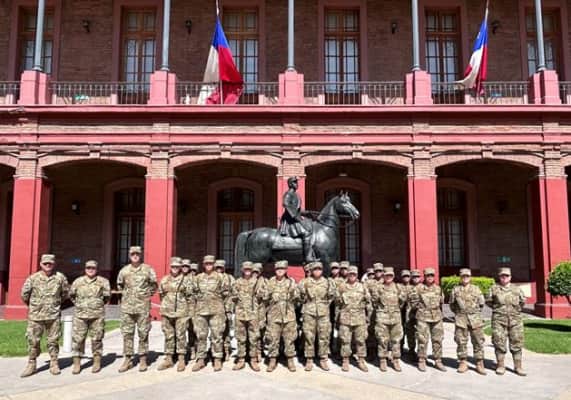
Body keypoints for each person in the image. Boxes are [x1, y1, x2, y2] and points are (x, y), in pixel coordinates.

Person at [20, 254, 70, 378]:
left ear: (54, 264)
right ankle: (31, 364)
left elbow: (65, 293)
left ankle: (54, 363)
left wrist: (54, 304)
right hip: (36, 316)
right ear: (41, 264)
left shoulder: (60, 278)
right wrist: (35, 306)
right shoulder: (33, 278)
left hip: (53, 316)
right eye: (45, 263)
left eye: (50, 263)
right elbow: (24, 295)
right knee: (33, 341)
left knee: (53, 341)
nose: (48, 265)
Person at [117, 246, 158, 373]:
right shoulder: (124, 271)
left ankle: (143, 359)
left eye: (137, 254)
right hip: (127, 308)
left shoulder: (148, 270)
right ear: (129, 255)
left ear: (141, 255)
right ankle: (128, 359)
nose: (135, 256)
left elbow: (154, 285)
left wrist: (145, 296)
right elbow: (120, 285)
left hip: (142, 308)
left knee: (143, 333)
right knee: (127, 333)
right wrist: (128, 296)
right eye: (133, 254)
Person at [70, 260, 111, 374]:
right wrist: (81, 305)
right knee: (78, 340)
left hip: (97, 316)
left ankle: (96, 362)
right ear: (85, 269)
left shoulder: (103, 282)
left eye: (93, 268)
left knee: (96, 339)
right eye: (88, 268)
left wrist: (96, 305)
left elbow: (107, 297)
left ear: (97, 269)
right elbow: (72, 295)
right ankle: (77, 363)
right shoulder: (78, 281)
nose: (90, 270)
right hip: (80, 316)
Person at [191, 255, 230, 372]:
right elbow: (192, 294)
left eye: (210, 263)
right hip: (200, 311)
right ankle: (201, 359)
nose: (208, 265)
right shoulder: (198, 278)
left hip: (216, 311)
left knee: (217, 336)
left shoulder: (221, 277)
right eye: (206, 263)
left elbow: (227, 294)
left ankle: (217, 358)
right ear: (203, 265)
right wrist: (193, 311)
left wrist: (226, 309)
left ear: (213, 265)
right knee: (200, 336)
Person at [486, 267, 527, 376]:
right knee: (499, 342)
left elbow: (522, 302)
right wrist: (499, 310)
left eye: (507, 276)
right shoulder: (493, 289)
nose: (504, 278)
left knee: (517, 342)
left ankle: (518, 366)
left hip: (515, 321)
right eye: (502, 276)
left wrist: (514, 311)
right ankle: (500, 365)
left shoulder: (517, 289)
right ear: (499, 277)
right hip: (499, 321)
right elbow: (489, 301)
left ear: (510, 277)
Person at [298, 261, 336, 371]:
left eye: (319, 269)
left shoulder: (328, 282)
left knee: (324, 336)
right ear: (311, 271)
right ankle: (309, 359)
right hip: (309, 312)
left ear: (322, 270)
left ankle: (323, 359)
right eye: (315, 269)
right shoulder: (305, 282)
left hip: (323, 313)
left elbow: (331, 296)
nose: (317, 271)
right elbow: (300, 296)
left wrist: (323, 305)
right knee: (309, 336)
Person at [264, 260, 300, 372]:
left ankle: (290, 360)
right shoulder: (270, 282)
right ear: (275, 270)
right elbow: (265, 299)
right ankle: (272, 360)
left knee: (290, 339)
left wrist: (294, 293)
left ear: (285, 270)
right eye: (278, 269)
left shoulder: (291, 282)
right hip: (274, 316)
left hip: (288, 316)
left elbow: (297, 299)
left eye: (282, 269)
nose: (280, 271)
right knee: (273, 339)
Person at [157, 257, 192, 372]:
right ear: (170, 267)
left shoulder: (186, 280)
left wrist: (189, 312)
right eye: (173, 266)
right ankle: (169, 359)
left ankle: (181, 359)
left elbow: (190, 297)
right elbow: (161, 294)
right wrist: (166, 306)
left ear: (180, 267)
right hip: (167, 311)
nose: (175, 268)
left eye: (177, 267)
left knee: (181, 335)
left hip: (181, 312)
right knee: (168, 335)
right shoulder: (164, 280)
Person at [450, 268, 486, 375]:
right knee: (461, 341)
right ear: (460, 277)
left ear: (470, 277)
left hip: (475, 319)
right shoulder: (455, 290)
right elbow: (452, 305)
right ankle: (463, 362)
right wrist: (459, 313)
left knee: (478, 341)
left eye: (467, 276)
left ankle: (479, 363)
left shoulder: (476, 289)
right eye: (463, 276)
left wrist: (474, 313)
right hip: (461, 319)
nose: (465, 278)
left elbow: (481, 304)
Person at [231, 261, 265, 371]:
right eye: (245, 269)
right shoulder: (237, 282)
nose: (247, 271)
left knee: (253, 338)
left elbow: (262, 298)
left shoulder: (257, 282)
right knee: (240, 338)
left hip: (253, 314)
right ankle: (241, 359)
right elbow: (233, 297)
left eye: (249, 269)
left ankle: (253, 360)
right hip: (240, 314)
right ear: (242, 270)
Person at [336, 265, 371, 372]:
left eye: (354, 274)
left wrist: (368, 318)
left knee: (361, 341)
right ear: (347, 274)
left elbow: (368, 303)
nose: (352, 276)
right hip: (345, 319)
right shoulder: (342, 287)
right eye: (350, 274)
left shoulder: (362, 287)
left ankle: (361, 360)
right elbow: (338, 303)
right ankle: (345, 360)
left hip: (359, 319)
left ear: (357, 275)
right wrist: (338, 318)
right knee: (345, 340)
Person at [411, 268, 446, 372]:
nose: (430, 277)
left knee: (438, 339)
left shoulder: (438, 288)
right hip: (423, 317)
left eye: (432, 275)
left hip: (437, 317)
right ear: (424, 276)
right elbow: (413, 303)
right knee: (422, 339)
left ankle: (438, 360)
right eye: (428, 275)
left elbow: (441, 302)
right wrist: (422, 309)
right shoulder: (418, 288)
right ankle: (422, 360)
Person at [372, 266, 405, 372]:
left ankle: (395, 360)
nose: (389, 277)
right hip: (382, 318)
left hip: (395, 318)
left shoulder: (398, 288)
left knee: (396, 340)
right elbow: (375, 302)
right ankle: (383, 360)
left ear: (393, 276)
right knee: (382, 340)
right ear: (383, 276)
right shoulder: (378, 288)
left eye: (390, 275)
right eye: (387, 275)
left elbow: (401, 302)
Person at [279, 176, 315, 262]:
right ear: (290, 184)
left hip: (295, 217)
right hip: (290, 220)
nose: (296, 184)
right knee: (306, 232)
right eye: (294, 182)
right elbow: (286, 205)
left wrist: (306, 213)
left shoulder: (296, 195)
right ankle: (308, 257)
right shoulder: (288, 194)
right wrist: (295, 216)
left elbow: (296, 209)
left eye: (296, 182)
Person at [215, 259, 235, 362]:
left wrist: (230, 308)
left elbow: (234, 293)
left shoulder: (230, 278)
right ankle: (215, 350)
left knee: (226, 330)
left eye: (221, 267)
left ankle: (226, 350)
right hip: (214, 309)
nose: (219, 269)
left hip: (226, 309)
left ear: (224, 268)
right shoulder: (212, 278)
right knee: (215, 331)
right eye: (217, 267)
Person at [365, 262, 384, 361]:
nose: (378, 273)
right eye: (376, 271)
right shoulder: (369, 282)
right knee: (371, 330)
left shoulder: (386, 281)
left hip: (383, 312)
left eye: (380, 271)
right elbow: (365, 294)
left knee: (382, 331)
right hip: (371, 311)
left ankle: (382, 351)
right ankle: (371, 351)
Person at [181, 259, 198, 361]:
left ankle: (192, 350)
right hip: (179, 308)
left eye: (187, 266)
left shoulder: (194, 279)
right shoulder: (178, 277)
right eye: (183, 266)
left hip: (192, 308)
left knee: (192, 330)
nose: (185, 268)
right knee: (179, 330)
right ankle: (179, 351)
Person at [252, 262, 268, 359]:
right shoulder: (248, 280)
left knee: (261, 330)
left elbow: (267, 296)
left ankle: (259, 351)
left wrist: (262, 294)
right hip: (250, 310)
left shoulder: (265, 281)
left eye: (257, 271)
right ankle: (252, 352)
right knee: (252, 331)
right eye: (254, 271)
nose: (255, 273)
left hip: (261, 309)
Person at [405, 269, 422, 358]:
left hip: (422, 315)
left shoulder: (424, 287)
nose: (416, 278)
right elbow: (405, 302)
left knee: (421, 335)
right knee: (410, 334)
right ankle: (411, 351)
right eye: (414, 277)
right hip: (410, 314)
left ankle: (421, 353)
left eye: (417, 277)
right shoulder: (408, 288)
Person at [397, 269, 412, 354]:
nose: (406, 278)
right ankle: (400, 348)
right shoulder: (398, 287)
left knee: (410, 333)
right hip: (400, 313)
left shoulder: (413, 287)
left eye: (407, 276)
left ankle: (411, 350)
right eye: (404, 276)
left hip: (410, 314)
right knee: (400, 332)